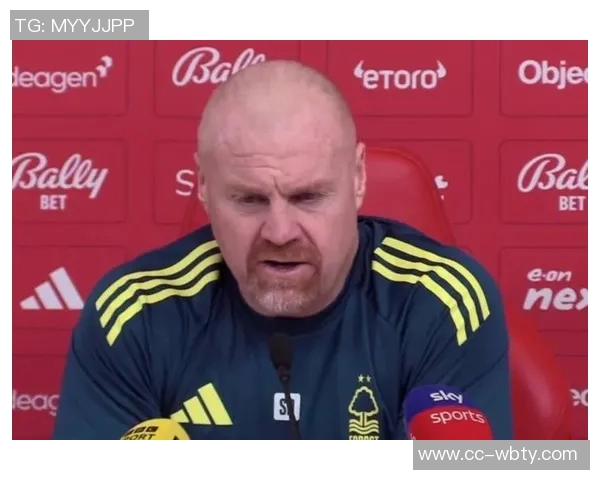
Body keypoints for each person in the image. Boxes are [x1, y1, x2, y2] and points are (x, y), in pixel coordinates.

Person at [52, 59, 513, 440]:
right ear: (204, 187)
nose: (279, 232)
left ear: (358, 179)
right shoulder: (135, 314)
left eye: (308, 197)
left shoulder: (442, 303)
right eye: (249, 200)